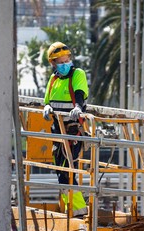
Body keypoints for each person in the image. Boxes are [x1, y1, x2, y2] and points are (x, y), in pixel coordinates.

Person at [42, 41, 88, 217]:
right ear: (53, 63)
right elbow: (48, 100)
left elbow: (80, 95)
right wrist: (46, 107)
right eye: (60, 62)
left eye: (66, 60)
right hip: (57, 132)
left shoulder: (77, 74)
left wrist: (78, 107)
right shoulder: (53, 80)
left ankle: (78, 211)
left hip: (72, 131)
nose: (64, 64)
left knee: (66, 169)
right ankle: (75, 208)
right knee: (60, 171)